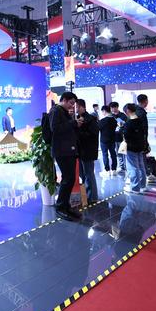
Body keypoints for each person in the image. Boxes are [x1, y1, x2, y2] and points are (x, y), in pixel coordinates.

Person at [50, 92, 84, 221]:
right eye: (70, 103)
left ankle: (65, 205)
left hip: (68, 150)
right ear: (64, 100)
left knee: (70, 179)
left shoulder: (63, 111)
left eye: (73, 104)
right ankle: (60, 207)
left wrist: (75, 124)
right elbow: (55, 129)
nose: (72, 106)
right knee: (67, 179)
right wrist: (73, 123)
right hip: (62, 151)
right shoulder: (56, 111)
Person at [76, 99, 99, 203]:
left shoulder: (90, 119)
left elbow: (93, 135)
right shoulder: (77, 118)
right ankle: (88, 195)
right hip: (81, 151)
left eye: (76, 107)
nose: (75, 109)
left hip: (88, 151)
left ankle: (93, 197)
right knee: (83, 174)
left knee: (89, 174)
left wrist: (79, 130)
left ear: (82, 107)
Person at [122, 104, 148, 193]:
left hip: (131, 147)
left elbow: (126, 136)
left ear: (127, 111)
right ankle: (143, 185)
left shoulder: (129, 123)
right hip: (140, 146)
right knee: (141, 166)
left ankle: (135, 187)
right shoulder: (140, 121)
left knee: (133, 167)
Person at [98, 105, 118, 175]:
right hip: (112, 139)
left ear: (104, 111)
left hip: (104, 140)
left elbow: (98, 128)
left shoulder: (102, 121)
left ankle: (107, 170)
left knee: (105, 154)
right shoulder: (114, 120)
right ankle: (114, 169)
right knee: (113, 154)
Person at [110, 102, 127, 175]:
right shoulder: (111, 116)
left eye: (113, 107)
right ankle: (122, 167)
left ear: (117, 107)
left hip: (122, 137)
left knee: (123, 153)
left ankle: (126, 167)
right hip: (114, 137)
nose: (112, 109)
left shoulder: (123, 115)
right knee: (118, 153)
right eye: (111, 108)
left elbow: (125, 125)